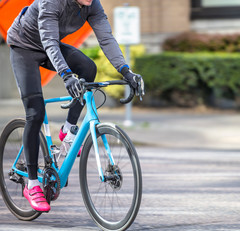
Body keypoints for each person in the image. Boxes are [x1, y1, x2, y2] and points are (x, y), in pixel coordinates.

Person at [7, 0, 143, 212]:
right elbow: (50, 41)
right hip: (24, 46)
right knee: (35, 113)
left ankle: (68, 130)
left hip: (49, 45)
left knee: (88, 68)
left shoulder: (92, 5)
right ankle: (33, 183)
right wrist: (66, 75)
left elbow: (106, 38)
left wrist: (126, 71)